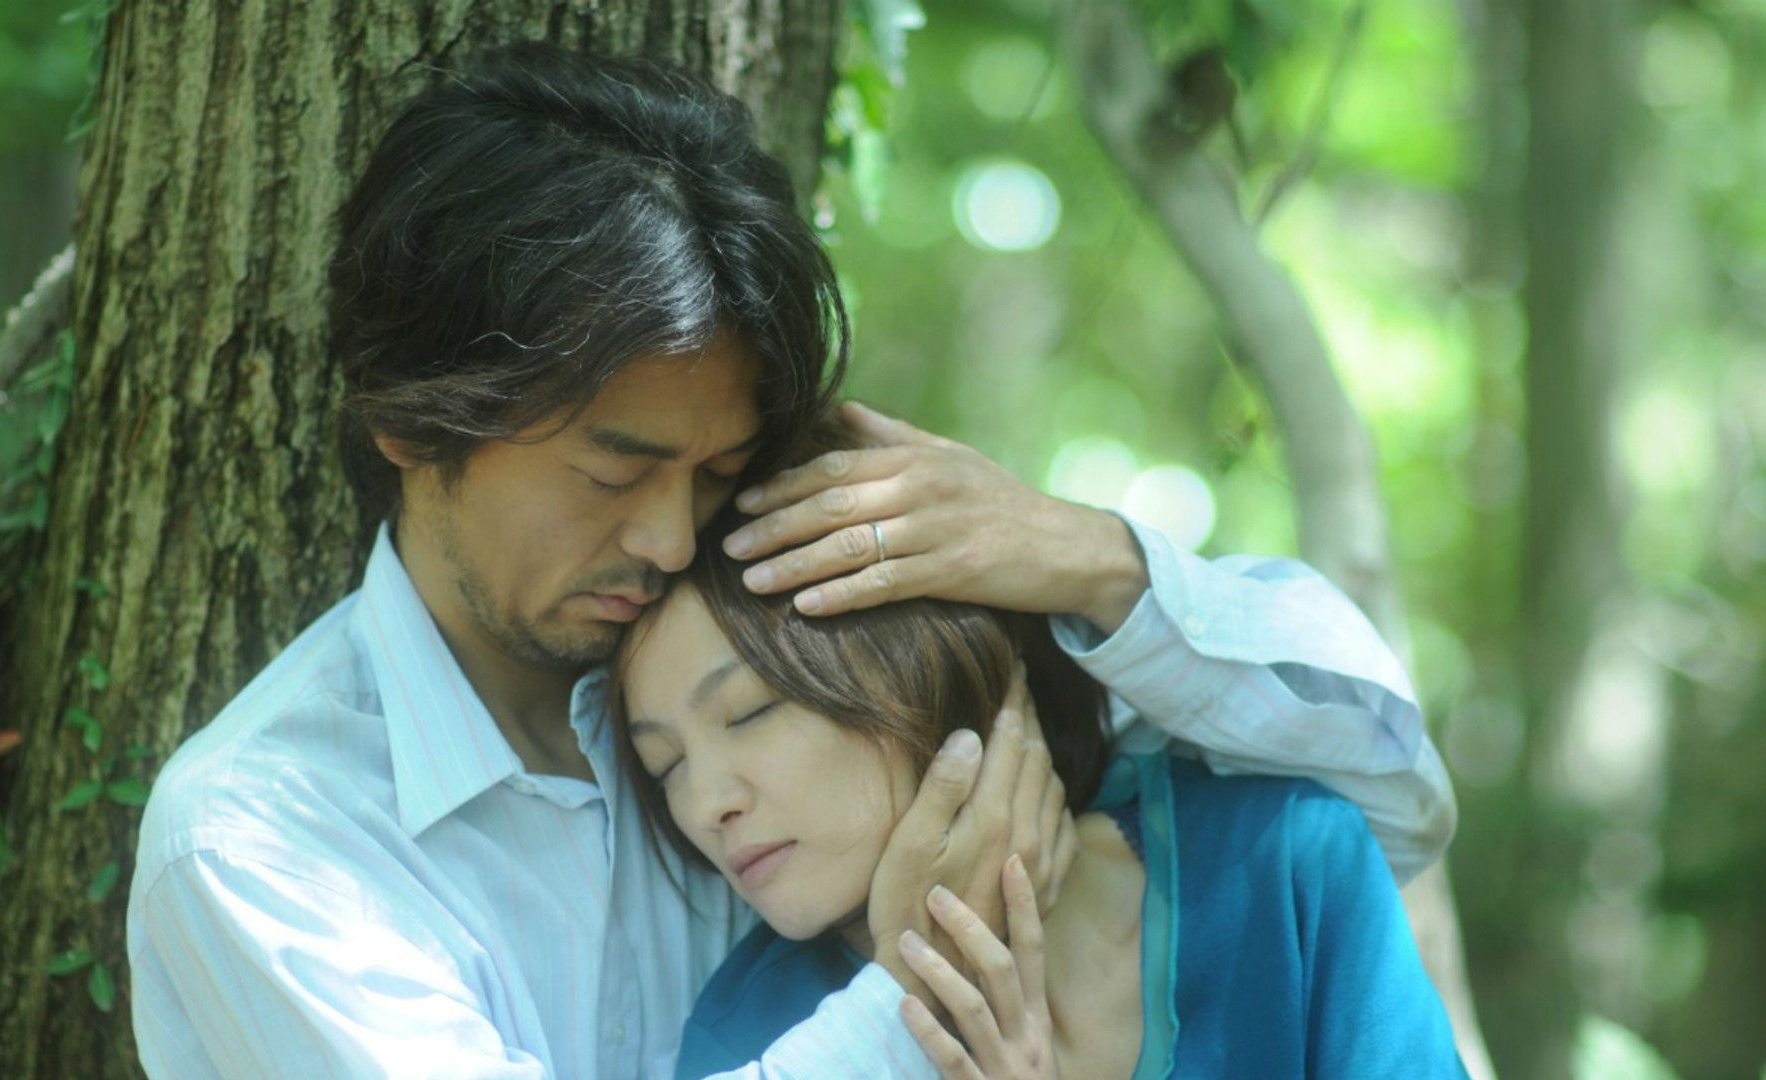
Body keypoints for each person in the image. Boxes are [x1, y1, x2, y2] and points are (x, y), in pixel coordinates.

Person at [127, 41, 1455, 1079]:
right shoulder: (264, 838)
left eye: (714, 472)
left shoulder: (768, 628)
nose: (670, 538)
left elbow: (1376, 785)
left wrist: (1086, 559)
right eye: (614, 470)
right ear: (415, 425)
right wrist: (925, 983)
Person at [614, 426, 1470, 1078]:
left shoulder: (1284, 868)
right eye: (665, 767)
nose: (705, 805)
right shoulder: (748, 1035)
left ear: (913, 656)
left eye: (749, 712)